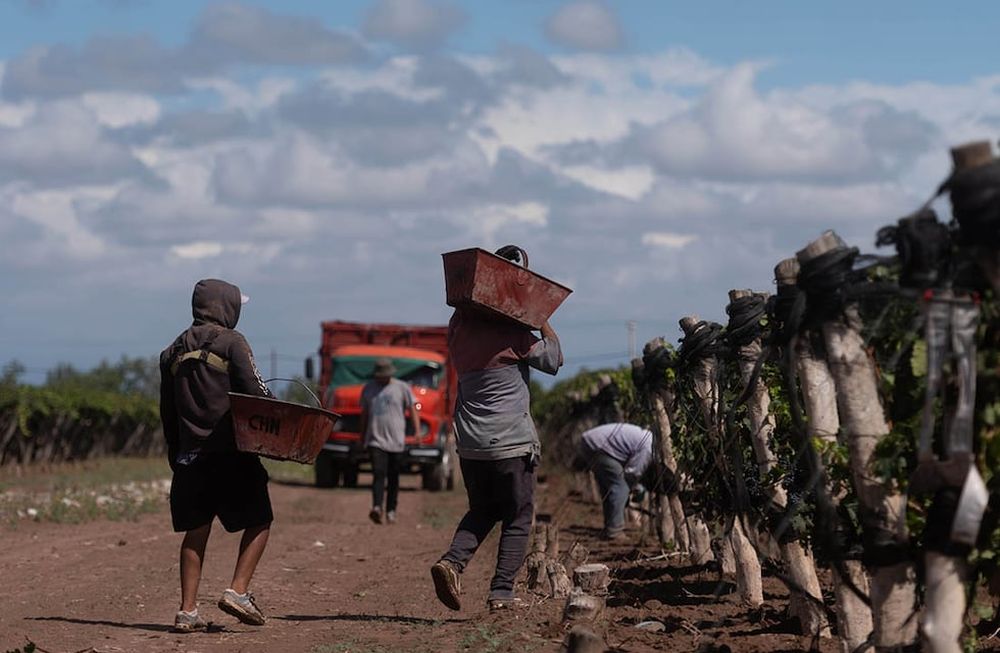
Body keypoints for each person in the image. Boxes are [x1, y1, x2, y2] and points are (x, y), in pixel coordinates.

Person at [430, 300, 563, 613]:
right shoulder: (513, 337)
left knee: (483, 509)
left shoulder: (458, 334)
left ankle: (452, 563)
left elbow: (460, 310)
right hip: (511, 442)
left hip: (472, 443)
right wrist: (539, 317)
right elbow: (554, 360)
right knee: (518, 516)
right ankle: (502, 593)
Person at [159, 279, 274, 632]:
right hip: (231, 453)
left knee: (196, 531)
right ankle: (238, 592)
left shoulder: (171, 352)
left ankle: (187, 611)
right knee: (260, 520)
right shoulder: (232, 343)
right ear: (226, 307)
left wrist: (175, 455)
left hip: (189, 457)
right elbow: (253, 393)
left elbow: (167, 412)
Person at [360, 357, 419, 524]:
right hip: (375, 439)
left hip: (396, 440)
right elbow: (364, 415)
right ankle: (377, 507)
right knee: (378, 473)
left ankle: (391, 510)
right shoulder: (369, 389)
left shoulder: (401, 387)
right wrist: (361, 437)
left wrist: (416, 431)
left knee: (394, 476)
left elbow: (413, 409)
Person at [577, 422, 653, 540]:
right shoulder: (649, 447)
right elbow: (632, 472)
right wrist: (632, 490)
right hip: (598, 446)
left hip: (591, 442)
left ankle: (609, 527)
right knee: (620, 487)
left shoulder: (648, 439)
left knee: (608, 488)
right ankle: (615, 531)